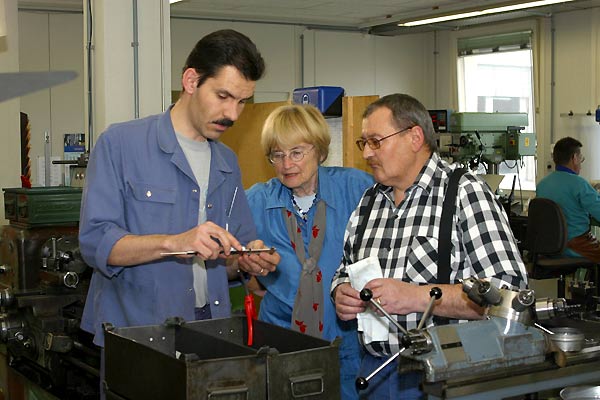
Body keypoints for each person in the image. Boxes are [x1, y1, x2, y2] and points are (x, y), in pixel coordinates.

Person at [79, 29, 280, 350]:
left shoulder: (226, 162)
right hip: (139, 333)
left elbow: (230, 259)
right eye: (223, 96)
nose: (233, 114)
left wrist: (247, 257)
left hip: (211, 328)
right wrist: (175, 243)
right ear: (190, 81)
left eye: (242, 102)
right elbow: (96, 243)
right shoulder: (120, 145)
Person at [331, 93, 527, 400]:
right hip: (376, 373)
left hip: (446, 374)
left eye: (376, 141)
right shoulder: (369, 201)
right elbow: (345, 268)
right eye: (363, 143)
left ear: (414, 136)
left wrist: (416, 297)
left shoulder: (465, 194)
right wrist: (340, 291)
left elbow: (508, 295)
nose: (367, 152)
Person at [245, 104, 374, 399]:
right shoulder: (256, 200)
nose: (286, 164)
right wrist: (246, 266)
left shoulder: (356, 188)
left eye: (296, 152)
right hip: (280, 345)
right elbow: (229, 259)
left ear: (318, 150)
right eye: (277, 155)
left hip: (346, 345)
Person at [536, 136, 600, 262]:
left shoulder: (542, 184)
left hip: (548, 246)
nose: (581, 164)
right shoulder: (579, 184)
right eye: (580, 158)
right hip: (576, 246)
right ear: (574, 158)